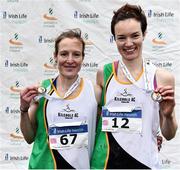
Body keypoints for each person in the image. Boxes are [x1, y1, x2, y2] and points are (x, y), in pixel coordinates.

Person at [91, 3, 178, 169]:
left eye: (134, 36)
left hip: (144, 163)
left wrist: (168, 116)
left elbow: (169, 134)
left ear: (144, 34)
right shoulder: (104, 73)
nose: (128, 43)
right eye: (121, 37)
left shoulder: (161, 78)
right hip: (106, 164)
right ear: (114, 39)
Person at [20, 29, 101, 169]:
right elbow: (29, 137)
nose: (70, 60)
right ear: (55, 56)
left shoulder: (94, 91)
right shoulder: (42, 90)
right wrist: (23, 110)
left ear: (83, 57)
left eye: (76, 54)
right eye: (64, 54)